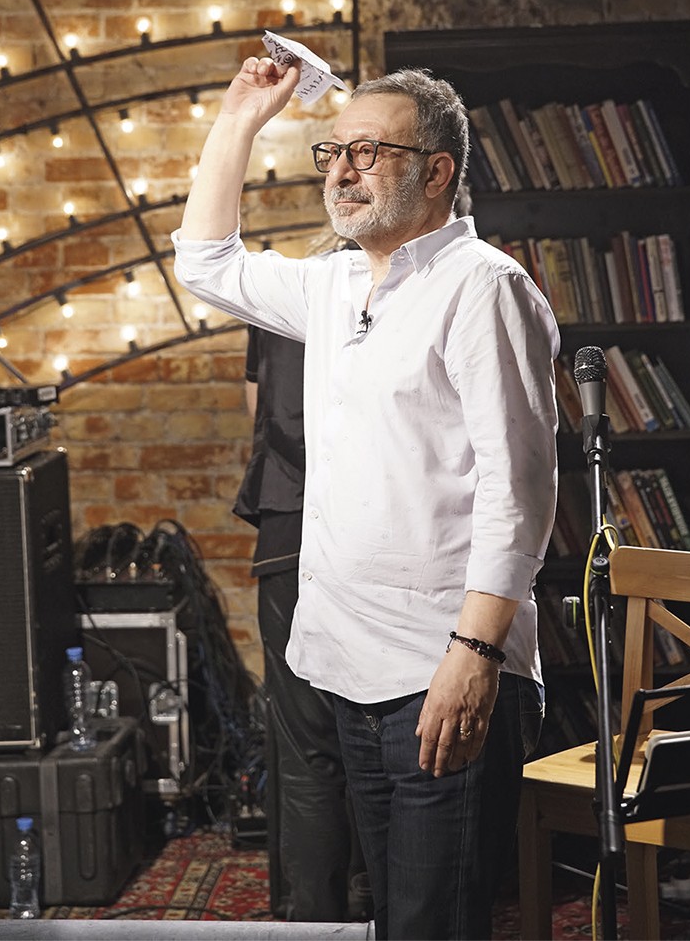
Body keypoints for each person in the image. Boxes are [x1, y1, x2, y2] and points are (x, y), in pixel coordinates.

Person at [172, 55, 559, 940]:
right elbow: (205, 262)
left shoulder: (483, 287)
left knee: (433, 923)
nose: (342, 171)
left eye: (370, 152)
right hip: (349, 670)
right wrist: (239, 119)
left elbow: (519, 488)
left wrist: (475, 653)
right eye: (333, 152)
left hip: (440, 666)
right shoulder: (336, 283)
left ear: (438, 171)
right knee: (393, 918)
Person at [233, 318, 365, 922]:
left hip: (290, 526)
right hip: (381, 531)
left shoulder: (279, 291)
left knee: (307, 747)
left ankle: (316, 923)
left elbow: (258, 407)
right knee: (391, 736)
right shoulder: (414, 285)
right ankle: (382, 911)